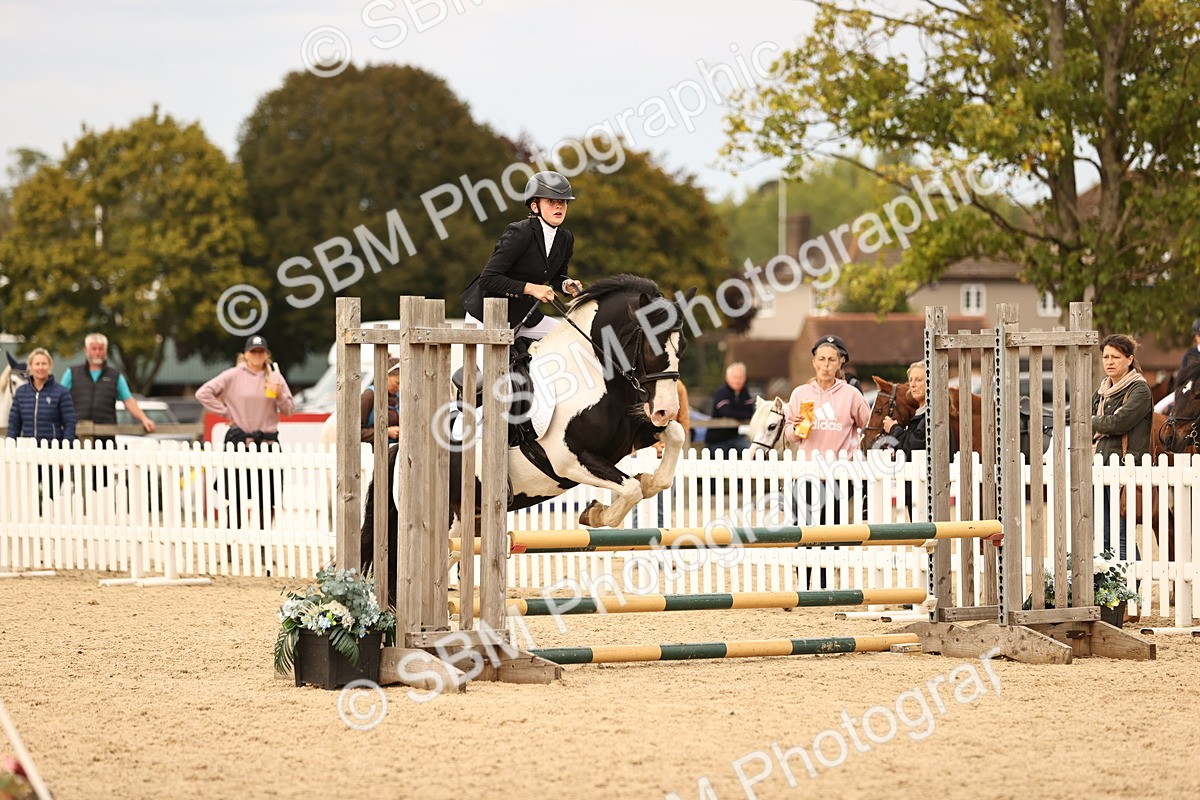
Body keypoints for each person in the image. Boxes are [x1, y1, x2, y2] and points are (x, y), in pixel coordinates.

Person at [459, 171, 584, 342]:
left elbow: (556, 276)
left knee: (570, 337)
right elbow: (488, 279)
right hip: (487, 316)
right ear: (534, 206)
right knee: (495, 370)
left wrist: (565, 284)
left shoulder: (565, 238)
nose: (558, 206)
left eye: (562, 201)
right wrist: (533, 288)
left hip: (524, 316)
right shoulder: (519, 232)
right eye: (551, 201)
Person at [195, 335, 294, 527]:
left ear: (266, 354)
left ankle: (263, 544)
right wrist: (226, 412)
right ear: (246, 354)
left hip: (268, 443)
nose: (257, 355)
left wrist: (280, 392)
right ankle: (234, 541)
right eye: (253, 351)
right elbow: (203, 393)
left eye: (261, 351)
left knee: (268, 498)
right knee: (235, 496)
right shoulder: (232, 375)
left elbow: (289, 410)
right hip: (240, 441)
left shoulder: (274, 376)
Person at [783, 335, 871, 523]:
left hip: (840, 473)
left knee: (833, 532)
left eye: (831, 360)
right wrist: (796, 428)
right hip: (807, 471)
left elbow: (869, 427)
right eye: (821, 359)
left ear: (841, 363)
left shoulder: (851, 394)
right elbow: (789, 435)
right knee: (805, 532)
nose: (826, 365)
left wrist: (856, 451)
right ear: (814, 362)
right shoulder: (800, 393)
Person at [1092, 334, 1152, 560]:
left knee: (1122, 536)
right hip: (1099, 469)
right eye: (1106, 356)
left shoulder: (1139, 390)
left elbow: (1119, 422)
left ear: (1129, 359)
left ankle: (1130, 590)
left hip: (1124, 471)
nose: (1109, 361)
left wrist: (1089, 420)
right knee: (1104, 537)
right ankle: (1111, 593)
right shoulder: (1100, 393)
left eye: (1116, 357)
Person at [61, 333, 156, 447]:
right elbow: (59, 399)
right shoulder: (72, 373)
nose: (97, 352)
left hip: (106, 437)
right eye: (94, 348)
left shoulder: (115, 376)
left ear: (105, 350)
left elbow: (129, 400)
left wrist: (144, 419)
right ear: (86, 350)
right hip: (77, 436)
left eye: (100, 349)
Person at [7, 348, 76, 507]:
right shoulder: (21, 393)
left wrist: (63, 452)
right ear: (30, 366)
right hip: (27, 454)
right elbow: (14, 424)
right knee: (27, 499)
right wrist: (12, 449)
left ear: (49, 366)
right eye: (37, 364)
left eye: (44, 363)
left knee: (51, 500)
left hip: (53, 455)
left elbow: (70, 423)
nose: (40, 367)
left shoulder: (61, 392)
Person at [882, 362, 928, 521]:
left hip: (925, 489)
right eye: (911, 380)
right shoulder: (919, 413)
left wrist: (894, 429)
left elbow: (916, 444)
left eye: (919, 380)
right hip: (915, 487)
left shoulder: (931, 414)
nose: (913, 385)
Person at [705, 362, 754, 452]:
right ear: (727, 378)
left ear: (745, 378)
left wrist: (736, 413)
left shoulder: (745, 393)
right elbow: (727, 412)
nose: (738, 380)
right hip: (716, 441)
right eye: (735, 377)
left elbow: (750, 411)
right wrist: (742, 413)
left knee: (753, 450)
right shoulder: (721, 392)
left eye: (740, 377)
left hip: (734, 437)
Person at [361, 357, 400, 446]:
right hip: (371, 453)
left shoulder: (397, 397)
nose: (399, 388)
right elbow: (354, 431)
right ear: (385, 376)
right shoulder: (369, 396)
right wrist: (385, 432)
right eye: (397, 383)